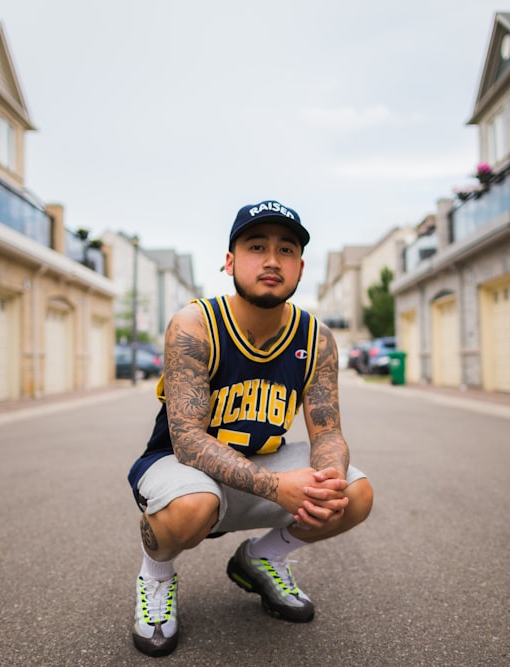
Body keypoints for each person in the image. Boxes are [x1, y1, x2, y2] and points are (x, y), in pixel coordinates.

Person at [126, 199, 375, 657]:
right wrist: (276, 486)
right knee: (192, 505)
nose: (271, 260)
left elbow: (327, 433)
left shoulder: (316, 337)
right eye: (256, 246)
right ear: (229, 261)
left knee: (353, 494)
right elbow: (187, 440)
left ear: (300, 267)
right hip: (182, 470)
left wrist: (329, 480)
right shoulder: (195, 323)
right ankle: (155, 576)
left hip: (262, 466)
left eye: (286, 250)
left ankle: (262, 558)